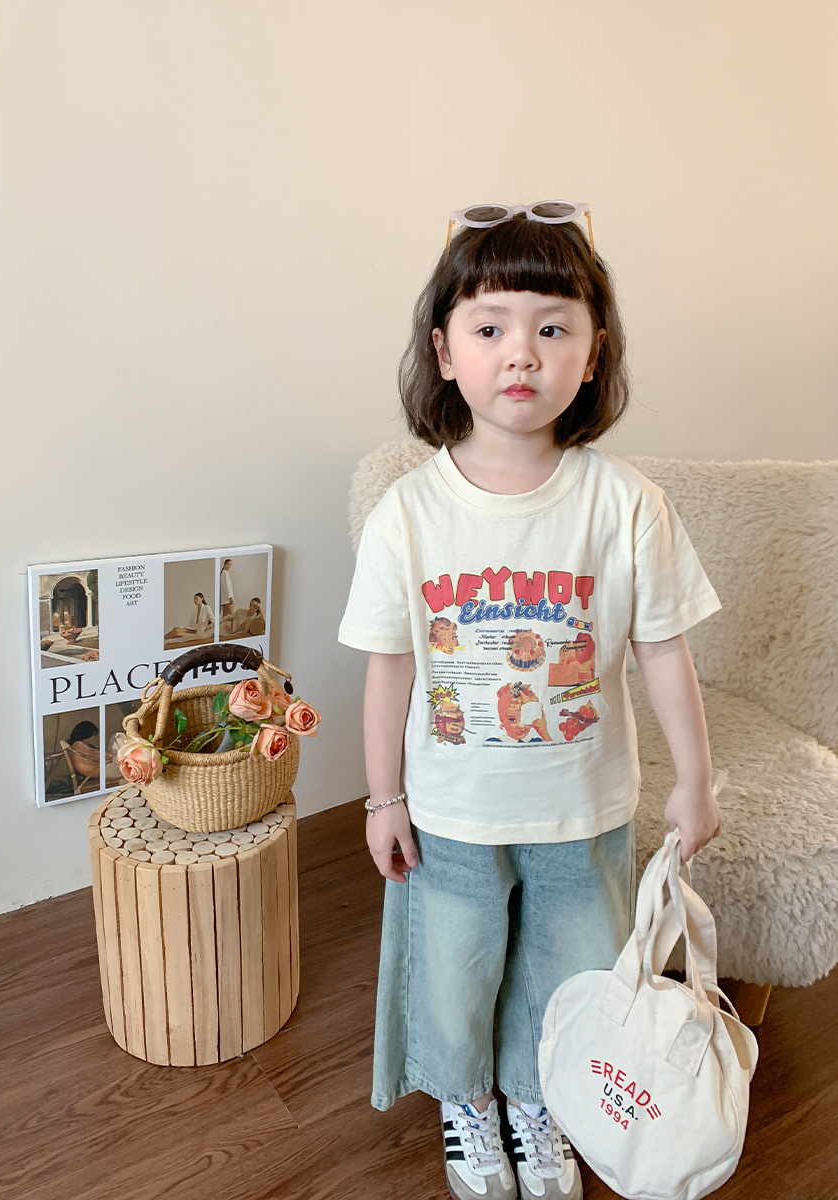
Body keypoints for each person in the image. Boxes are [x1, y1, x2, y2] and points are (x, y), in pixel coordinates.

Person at [338, 203, 722, 1200]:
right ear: (445, 351)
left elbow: (663, 648)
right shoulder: (407, 515)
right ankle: (469, 1102)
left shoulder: (625, 504)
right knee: (455, 971)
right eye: (490, 326)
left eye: (553, 327)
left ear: (593, 355)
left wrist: (695, 782)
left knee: (569, 973)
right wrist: (384, 799)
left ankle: (539, 1098)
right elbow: (389, 670)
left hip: (584, 812)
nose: (522, 352)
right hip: (451, 815)